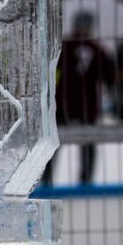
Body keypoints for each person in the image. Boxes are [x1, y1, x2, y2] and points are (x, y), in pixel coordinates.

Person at [42, 12, 115, 186]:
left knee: (52, 144)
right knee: (88, 143)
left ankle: (46, 181)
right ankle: (86, 181)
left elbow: (51, 75)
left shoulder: (62, 47)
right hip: (87, 106)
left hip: (62, 104)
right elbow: (110, 79)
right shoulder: (98, 49)